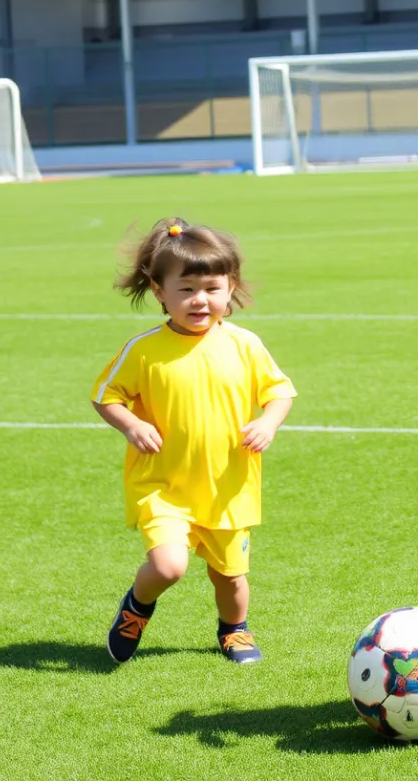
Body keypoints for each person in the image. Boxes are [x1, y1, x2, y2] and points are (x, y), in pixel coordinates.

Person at [92, 219, 295, 665]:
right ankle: (136, 608)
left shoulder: (245, 344)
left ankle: (234, 630)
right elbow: (106, 396)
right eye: (185, 290)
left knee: (231, 577)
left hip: (228, 489)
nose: (199, 300)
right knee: (169, 566)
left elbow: (279, 392)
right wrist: (131, 425)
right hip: (163, 487)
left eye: (211, 288)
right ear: (159, 292)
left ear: (230, 287)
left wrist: (269, 422)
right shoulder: (144, 350)